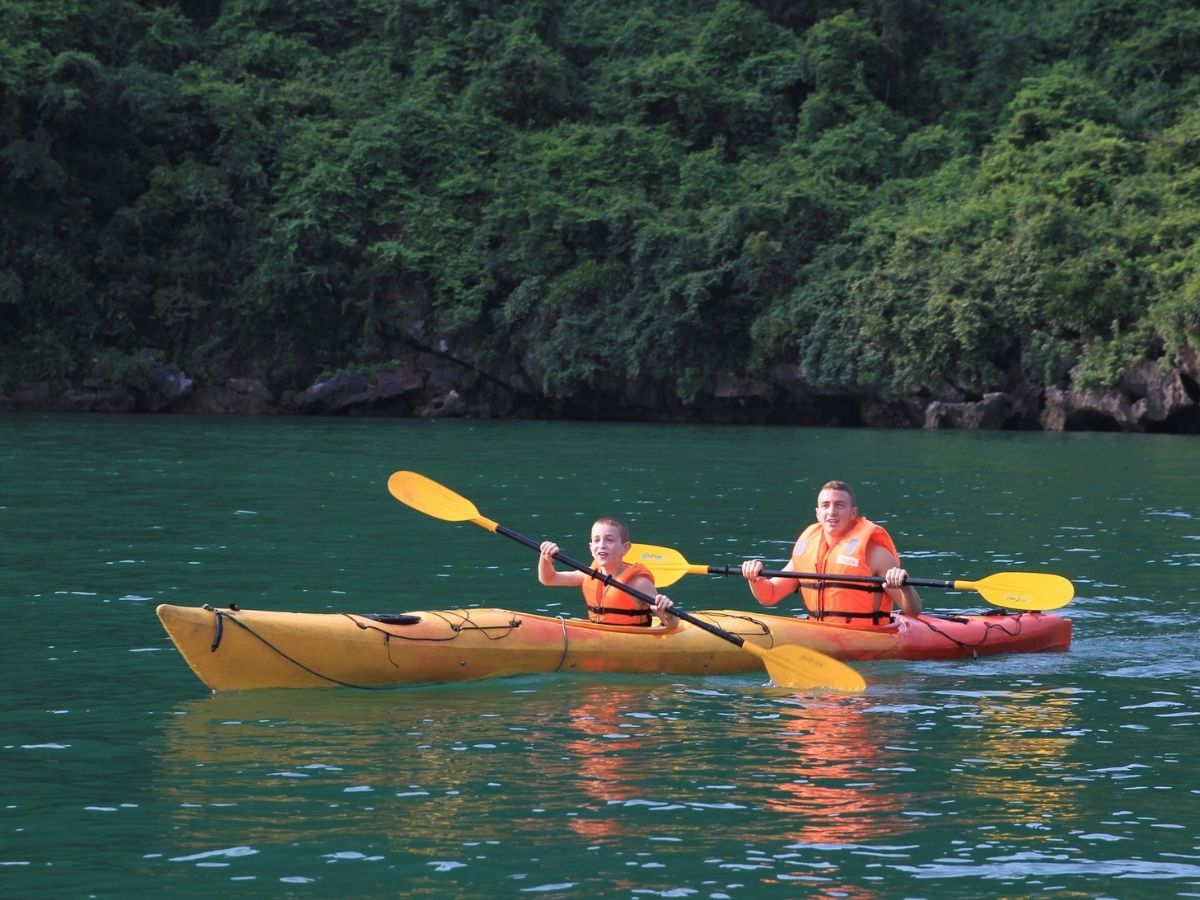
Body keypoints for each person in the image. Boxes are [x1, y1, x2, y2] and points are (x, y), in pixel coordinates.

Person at [740, 480, 921, 626]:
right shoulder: (806, 551)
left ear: (853, 513)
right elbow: (769, 595)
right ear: (818, 514)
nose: (832, 512)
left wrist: (905, 587)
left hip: (869, 636)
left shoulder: (876, 555)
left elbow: (913, 612)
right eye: (825, 505)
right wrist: (755, 579)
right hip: (819, 632)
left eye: (840, 505)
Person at [539, 517, 677, 626]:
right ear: (591, 547)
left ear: (625, 548)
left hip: (632, 642)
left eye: (609, 540)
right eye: (596, 540)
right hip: (600, 636)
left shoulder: (639, 583)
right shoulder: (588, 574)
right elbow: (549, 579)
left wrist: (666, 610)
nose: (602, 545)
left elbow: (671, 625)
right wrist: (545, 559)